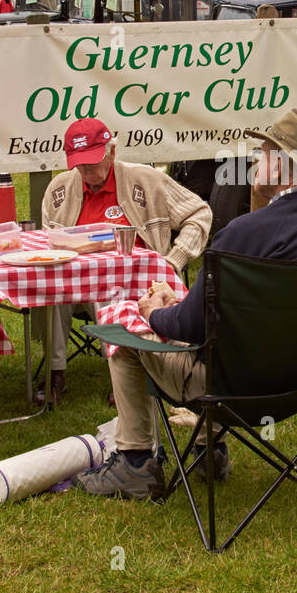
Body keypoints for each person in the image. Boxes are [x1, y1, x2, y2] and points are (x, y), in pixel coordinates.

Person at [77, 108, 297, 499]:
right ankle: (208, 449)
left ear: (284, 167)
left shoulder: (240, 235)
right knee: (215, 330)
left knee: (122, 328)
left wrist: (152, 311)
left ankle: (134, 464)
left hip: (232, 387)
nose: (255, 158)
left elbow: (188, 328)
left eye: (265, 150)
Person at [39, 117, 211, 406]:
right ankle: (55, 374)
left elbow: (200, 214)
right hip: (76, 279)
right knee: (51, 289)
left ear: (112, 152)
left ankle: (122, 375)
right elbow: (49, 240)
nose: (86, 171)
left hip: (134, 282)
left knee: (110, 288)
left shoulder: (147, 180)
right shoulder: (60, 189)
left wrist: (174, 259)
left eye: (92, 162)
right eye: (80, 164)